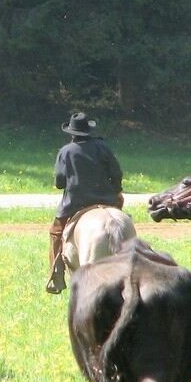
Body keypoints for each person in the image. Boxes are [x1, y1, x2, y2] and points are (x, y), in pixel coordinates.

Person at [46, 112, 124, 294]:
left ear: (71, 133)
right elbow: (117, 172)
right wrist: (116, 189)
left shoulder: (66, 151)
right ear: (89, 131)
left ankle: (55, 276)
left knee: (56, 232)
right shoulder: (103, 147)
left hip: (75, 203)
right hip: (107, 200)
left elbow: (59, 182)